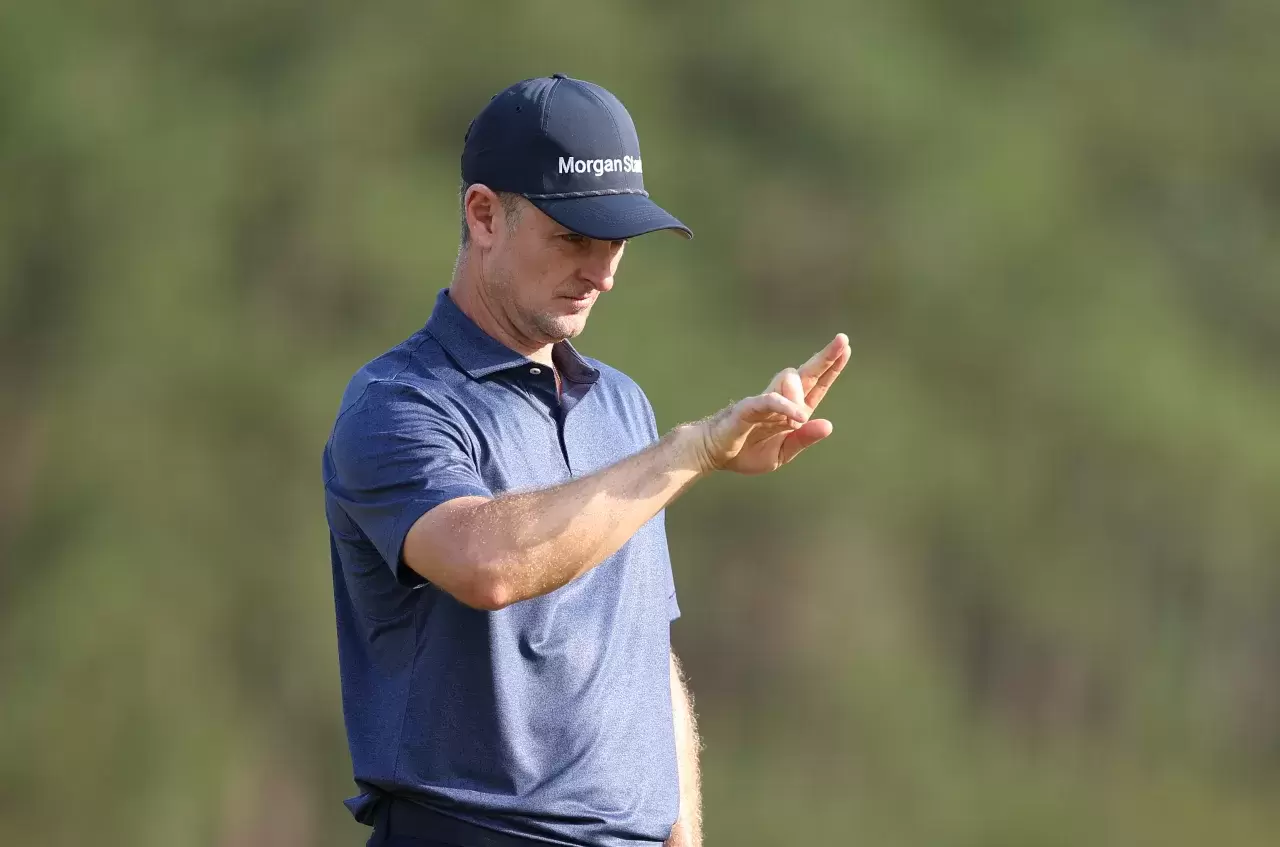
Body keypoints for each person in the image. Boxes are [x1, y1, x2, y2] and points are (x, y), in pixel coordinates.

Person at [322, 74, 850, 847]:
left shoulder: (621, 406)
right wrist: (692, 449)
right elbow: (485, 563)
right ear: (483, 215)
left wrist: (682, 830)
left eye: (616, 244)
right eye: (573, 237)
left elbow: (642, 650)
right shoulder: (399, 402)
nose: (602, 273)